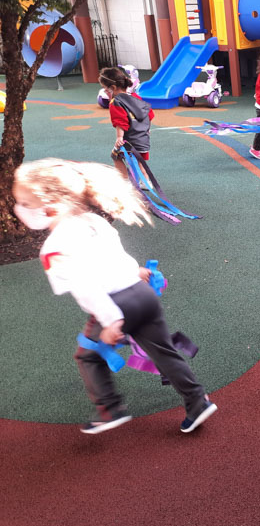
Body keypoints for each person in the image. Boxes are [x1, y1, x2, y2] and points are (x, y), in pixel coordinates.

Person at [12, 159, 217, 435]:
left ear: (51, 207)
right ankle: (197, 401)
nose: (19, 209)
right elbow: (114, 254)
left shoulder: (54, 247)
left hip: (115, 304)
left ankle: (109, 409)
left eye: (24, 203)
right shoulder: (93, 221)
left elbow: (85, 286)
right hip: (142, 295)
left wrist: (111, 321)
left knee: (88, 356)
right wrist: (136, 271)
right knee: (163, 351)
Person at [99, 66, 154, 182]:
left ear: (113, 88)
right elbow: (149, 113)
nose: (105, 92)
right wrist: (147, 129)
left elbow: (120, 121)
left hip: (130, 140)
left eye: (105, 89)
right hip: (143, 138)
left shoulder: (116, 102)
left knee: (116, 155)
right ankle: (146, 181)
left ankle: (124, 181)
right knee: (139, 161)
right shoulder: (135, 96)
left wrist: (119, 137)